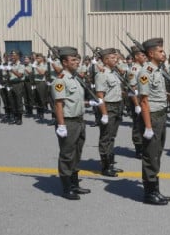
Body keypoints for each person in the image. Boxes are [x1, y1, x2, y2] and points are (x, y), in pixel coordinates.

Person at [137, 38, 170, 205]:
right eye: (160, 51)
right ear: (151, 53)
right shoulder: (146, 72)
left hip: (161, 115)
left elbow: (159, 94)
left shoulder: (157, 70)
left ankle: (155, 190)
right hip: (152, 117)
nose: (163, 53)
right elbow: (143, 101)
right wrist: (148, 126)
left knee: (156, 154)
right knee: (151, 155)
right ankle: (149, 193)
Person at [53, 46, 91, 200]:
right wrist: (61, 125)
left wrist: (89, 103)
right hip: (68, 122)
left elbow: (75, 101)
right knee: (67, 155)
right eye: (73, 60)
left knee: (77, 153)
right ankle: (66, 187)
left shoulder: (75, 78)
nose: (77, 62)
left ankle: (75, 184)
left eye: (77, 59)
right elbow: (58, 104)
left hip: (79, 121)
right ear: (64, 62)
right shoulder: (60, 80)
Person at [95, 48, 124, 177]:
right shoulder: (102, 74)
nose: (116, 59)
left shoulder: (113, 73)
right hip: (108, 108)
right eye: (112, 57)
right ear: (106, 60)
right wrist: (104, 114)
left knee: (112, 137)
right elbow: (100, 95)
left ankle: (111, 163)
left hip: (117, 107)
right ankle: (105, 166)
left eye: (115, 57)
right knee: (106, 138)